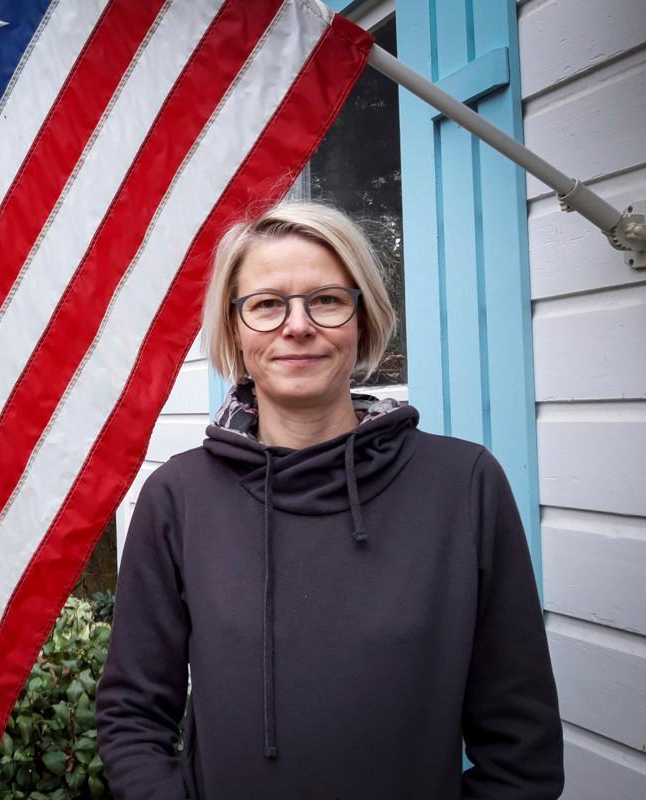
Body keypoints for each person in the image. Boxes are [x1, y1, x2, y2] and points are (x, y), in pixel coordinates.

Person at [95, 202, 563, 799]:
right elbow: (132, 715)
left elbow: (522, 746)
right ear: (235, 334)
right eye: (266, 304)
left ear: (363, 322)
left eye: (327, 300)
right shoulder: (178, 499)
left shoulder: (463, 485)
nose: (297, 326)